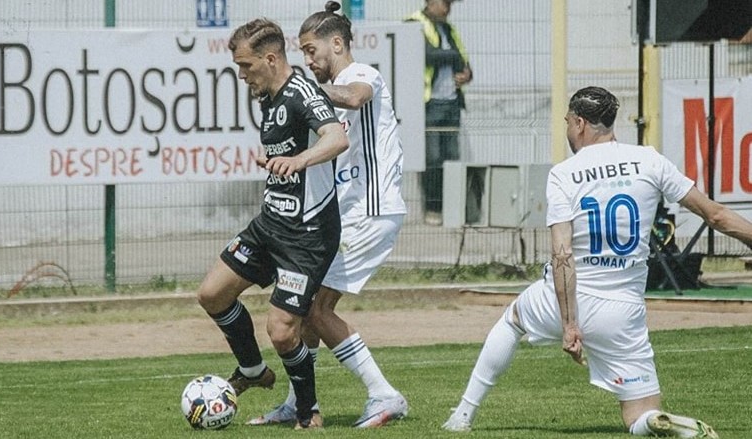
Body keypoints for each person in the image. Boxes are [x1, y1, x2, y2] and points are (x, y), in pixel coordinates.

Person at [442, 86, 749, 437]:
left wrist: (570, 323)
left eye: (568, 123)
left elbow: (562, 253)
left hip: (572, 296)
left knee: (512, 321)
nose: (569, 130)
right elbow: (717, 216)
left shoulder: (564, 174)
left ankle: (462, 415)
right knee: (638, 415)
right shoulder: (650, 160)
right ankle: (651, 421)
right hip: (623, 311)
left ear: (580, 122)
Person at [246, 1, 409, 428]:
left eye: (311, 50)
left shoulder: (361, 76)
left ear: (337, 43)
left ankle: (384, 394)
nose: (307, 61)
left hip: (370, 210)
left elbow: (355, 97)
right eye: (300, 53)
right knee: (309, 308)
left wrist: (297, 85)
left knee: (315, 309)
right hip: (352, 211)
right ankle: (297, 402)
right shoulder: (328, 88)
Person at [196, 18, 348, 431]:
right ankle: (250, 369)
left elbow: (336, 138)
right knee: (212, 294)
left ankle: (308, 410)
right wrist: (277, 165)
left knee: (281, 331)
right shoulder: (269, 96)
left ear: (269, 58)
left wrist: (299, 160)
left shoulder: (302, 93)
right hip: (271, 223)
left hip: (308, 234)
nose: (242, 75)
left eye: (245, 66)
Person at [407, 0, 472, 226]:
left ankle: (451, 207)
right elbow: (427, 55)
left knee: (451, 157)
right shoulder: (415, 23)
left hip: (451, 102)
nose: (447, 9)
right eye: (445, 3)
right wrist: (453, 56)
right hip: (429, 104)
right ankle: (433, 207)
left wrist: (466, 74)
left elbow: (463, 59)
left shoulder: (448, 28)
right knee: (432, 159)